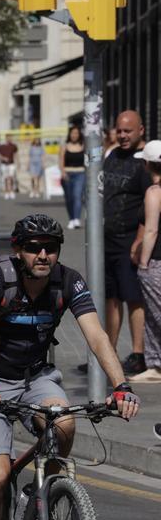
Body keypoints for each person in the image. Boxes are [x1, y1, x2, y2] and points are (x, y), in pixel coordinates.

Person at [0, 214, 140, 520]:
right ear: (17, 249)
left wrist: (121, 386)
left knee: (63, 422)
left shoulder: (67, 280)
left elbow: (96, 334)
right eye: (34, 247)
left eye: (51, 247)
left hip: (36, 377)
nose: (43, 254)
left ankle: (37, 494)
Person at [102, 110, 151, 377]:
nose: (122, 135)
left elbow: (149, 201)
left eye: (128, 131)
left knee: (133, 298)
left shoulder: (144, 162)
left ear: (140, 131)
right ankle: (107, 353)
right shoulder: (112, 155)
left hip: (129, 239)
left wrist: (140, 240)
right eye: (119, 130)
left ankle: (138, 354)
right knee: (110, 298)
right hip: (107, 239)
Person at [133, 140, 161, 383]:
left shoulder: (155, 192)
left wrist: (143, 264)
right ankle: (156, 364)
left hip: (156, 262)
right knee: (152, 315)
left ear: (147, 164)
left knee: (157, 312)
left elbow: (151, 231)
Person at [60, 125, 86, 229]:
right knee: (69, 198)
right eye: (72, 133)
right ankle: (71, 218)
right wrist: (63, 172)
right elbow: (61, 160)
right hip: (67, 174)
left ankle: (76, 219)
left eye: (76, 133)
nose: (74, 135)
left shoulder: (83, 146)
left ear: (79, 134)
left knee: (77, 196)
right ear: (69, 134)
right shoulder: (64, 146)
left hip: (80, 173)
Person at [0, 134, 18, 200]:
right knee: (6, 178)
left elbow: (15, 155)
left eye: (10, 137)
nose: (10, 139)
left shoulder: (13, 146)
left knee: (11, 178)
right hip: (4, 164)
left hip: (11, 164)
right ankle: (7, 192)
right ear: (6, 138)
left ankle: (11, 191)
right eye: (8, 138)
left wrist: (17, 163)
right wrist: (3, 158)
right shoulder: (2, 146)